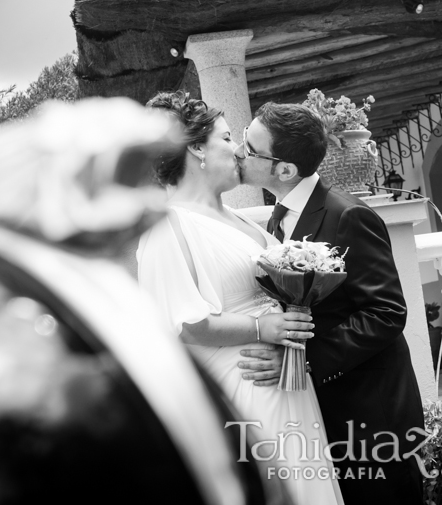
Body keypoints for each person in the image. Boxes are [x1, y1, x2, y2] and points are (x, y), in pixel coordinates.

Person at [135, 92, 344, 505]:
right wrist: (261, 327)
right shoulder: (167, 225)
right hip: (243, 390)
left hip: (286, 381)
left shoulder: (241, 220)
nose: (237, 150)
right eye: (227, 138)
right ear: (196, 147)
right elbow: (184, 325)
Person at [235, 102, 426, 505]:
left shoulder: (348, 216)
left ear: (284, 169)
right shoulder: (279, 217)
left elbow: (386, 312)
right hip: (323, 412)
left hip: (370, 415)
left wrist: (303, 362)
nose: (238, 151)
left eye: (250, 148)